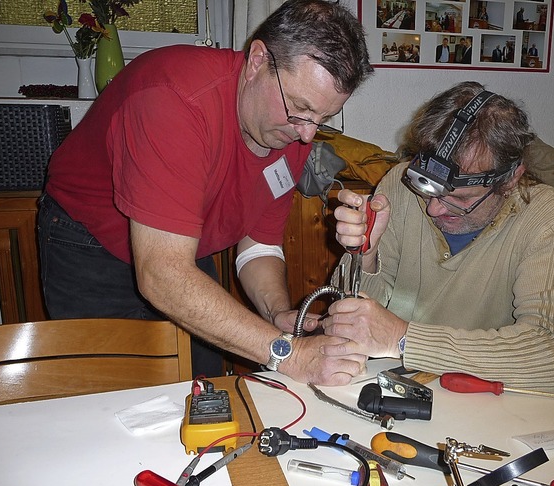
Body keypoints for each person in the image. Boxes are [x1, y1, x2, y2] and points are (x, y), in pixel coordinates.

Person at [37, 0, 373, 386]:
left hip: (183, 246)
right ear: (257, 61)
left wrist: (279, 314)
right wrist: (290, 353)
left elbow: (259, 244)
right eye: (299, 108)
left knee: (203, 386)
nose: (307, 134)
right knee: (111, 391)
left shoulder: (291, 129)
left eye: (323, 118)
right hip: (90, 240)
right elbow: (163, 274)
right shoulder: (173, 99)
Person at [323, 82, 554, 389]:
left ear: (511, 178)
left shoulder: (551, 222)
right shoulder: (400, 184)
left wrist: (403, 339)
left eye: (460, 199)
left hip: (488, 401)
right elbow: (343, 323)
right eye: (427, 189)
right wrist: (365, 256)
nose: (434, 209)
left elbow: (552, 355)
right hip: (391, 385)